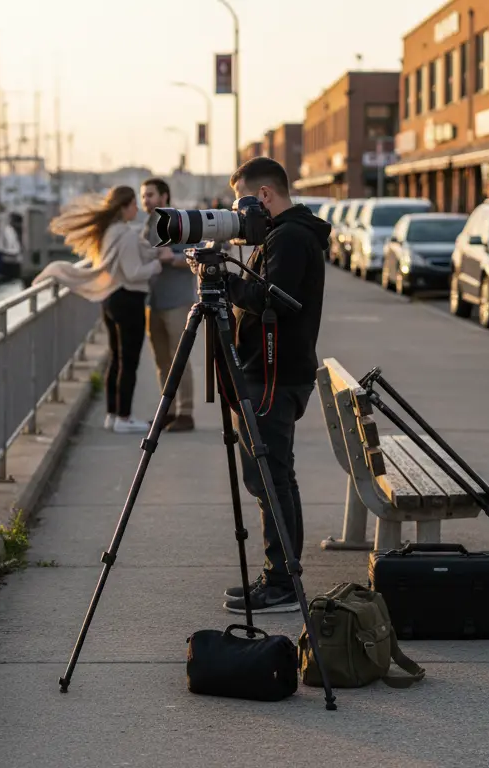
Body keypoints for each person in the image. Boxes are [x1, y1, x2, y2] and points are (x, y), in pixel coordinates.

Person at [216, 157, 329, 614]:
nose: (238, 212)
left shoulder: (292, 237)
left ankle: (282, 582)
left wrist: (229, 286)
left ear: (263, 195)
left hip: (274, 377)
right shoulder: (287, 236)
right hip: (275, 373)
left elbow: (276, 300)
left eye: (241, 200)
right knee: (275, 475)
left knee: (269, 477)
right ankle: (281, 574)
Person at [36, 185, 161, 433]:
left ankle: (112, 415)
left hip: (112, 300)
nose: (137, 208)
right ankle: (124, 418)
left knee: (116, 358)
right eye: (133, 203)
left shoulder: (110, 232)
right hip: (129, 300)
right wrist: (158, 264)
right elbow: (134, 272)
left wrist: (152, 253)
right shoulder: (124, 234)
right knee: (129, 361)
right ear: (123, 207)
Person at [139, 178, 197, 432]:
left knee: (179, 358)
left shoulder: (177, 221)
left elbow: (197, 254)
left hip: (177, 302)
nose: (146, 200)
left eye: (150, 195)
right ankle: (168, 411)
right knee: (162, 361)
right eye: (143, 196)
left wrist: (171, 257)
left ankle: (186, 412)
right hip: (155, 301)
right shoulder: (148, 223)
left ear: (164, 196)